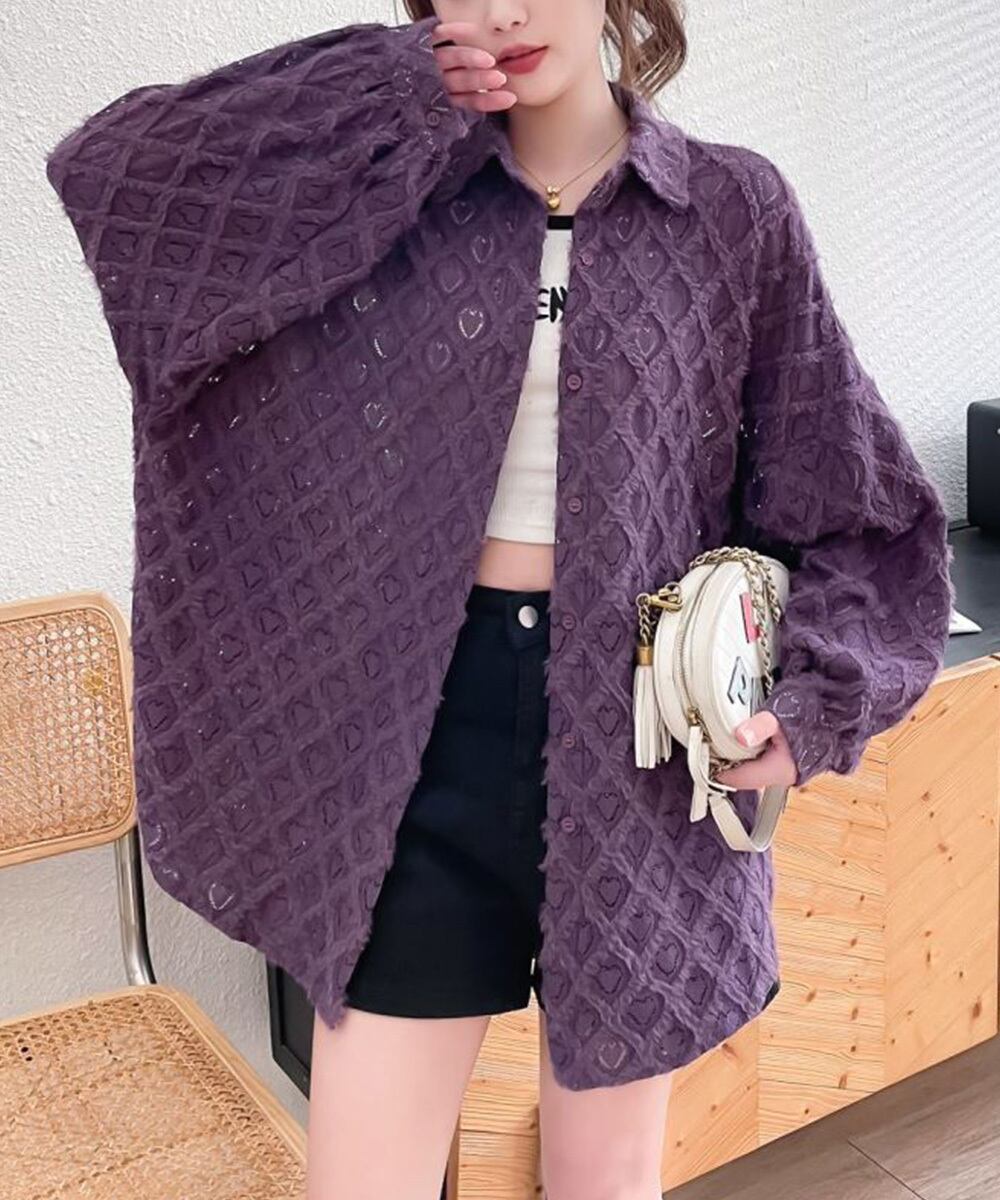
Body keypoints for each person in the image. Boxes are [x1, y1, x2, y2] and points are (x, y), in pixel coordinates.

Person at [43, 1, 954, 1197]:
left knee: (601, 1180)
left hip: (641, 751)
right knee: (362, 1178)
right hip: (413, 750)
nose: (503, 11)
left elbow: (854, 504)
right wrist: (383, 92)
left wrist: (813, 696)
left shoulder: (731, 212)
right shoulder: (384, 194)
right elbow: (120, 182)